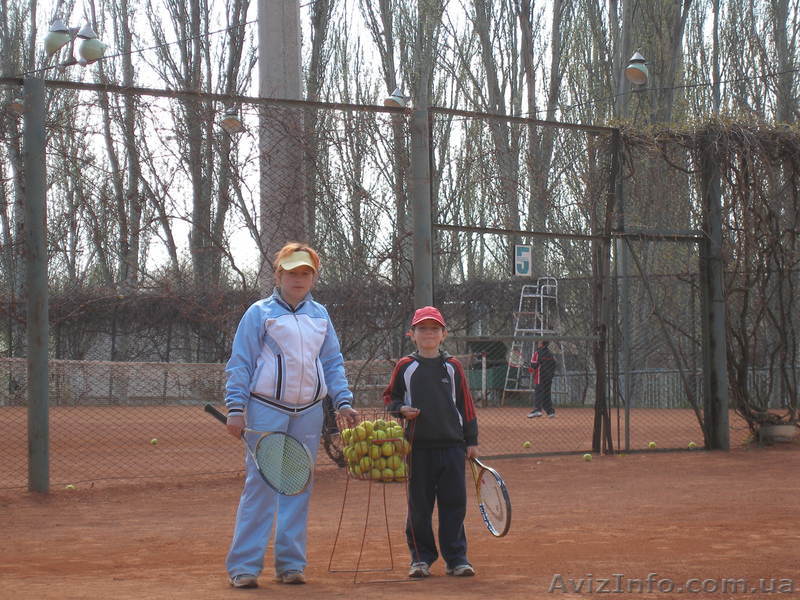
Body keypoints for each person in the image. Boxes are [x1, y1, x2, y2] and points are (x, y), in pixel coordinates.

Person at [223, 242, 358, 589]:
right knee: (261, 487)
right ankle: (245, 567)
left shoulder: (320, 315)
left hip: (309, 413)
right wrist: (236, 409)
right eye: (292, 273)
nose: (298, 279)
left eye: (305, 273)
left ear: (313, 277)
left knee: (297, 487)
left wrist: (343, 401)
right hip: (266, 409)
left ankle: (291, 565)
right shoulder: (258, 313)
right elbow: (241, 363)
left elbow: (331, 362)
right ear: (278, 274)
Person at [383, 306, 479, 579]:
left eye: (434, 329)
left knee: (454, 504)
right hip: (417, 447)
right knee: (419, 507)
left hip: (452, 446)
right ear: (411, 334)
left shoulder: (453, 366)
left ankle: (457, 558)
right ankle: (421, 559)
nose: (428, 333)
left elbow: (466, 405)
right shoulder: (405, 366)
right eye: (422, 329)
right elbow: (391, 398)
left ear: (444, 334)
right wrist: (401, 410)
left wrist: (471, 440)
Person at [527, 339, 557, 418]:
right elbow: (554, 365)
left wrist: (530, 369)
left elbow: (533, 366)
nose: (537, 343)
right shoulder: (550, 354)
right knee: (547, 394)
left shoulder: (537, 353)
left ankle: (537, 410)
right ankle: (550, 412)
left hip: (539, 376)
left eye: (539, 342)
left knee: (539, 392)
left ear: (542, 344)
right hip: (549, 377)